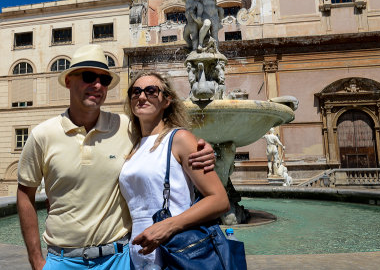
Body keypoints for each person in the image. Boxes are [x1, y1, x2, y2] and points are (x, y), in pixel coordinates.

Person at [17, 45, 216, 270]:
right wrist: (36, 260)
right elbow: (25, 193)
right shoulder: (42, 135)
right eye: (89, 77)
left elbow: (163, 136)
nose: (98, 85)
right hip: (61, 261)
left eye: (104, 80)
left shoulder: (126, 127)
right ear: (69, 81)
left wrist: (203, 148)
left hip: (118, 259)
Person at [119, 71, 230, 269]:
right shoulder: (132, 145)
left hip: (177, 250)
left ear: (166, 100)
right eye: (135, 92)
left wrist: (168, 226)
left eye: (151, 91)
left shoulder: (179, 139)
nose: (142, 96)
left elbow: (219, 200)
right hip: (139, 253)